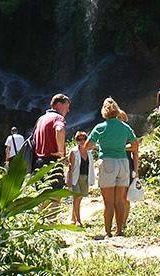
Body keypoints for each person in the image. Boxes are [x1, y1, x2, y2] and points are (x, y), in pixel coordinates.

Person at [85, 97, 138, 238]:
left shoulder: (100, 127)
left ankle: (108, 232)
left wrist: (100, 145)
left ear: (104, 111)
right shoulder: (125, 127)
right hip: (123, 163)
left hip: (107, 162)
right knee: (120, 201)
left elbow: (87, 146)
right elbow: (135, 146)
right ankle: (119, 230)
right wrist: (121, 146)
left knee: (108, 203)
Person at [33, 94, 70, 190]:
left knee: (41, 194)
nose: (68, 110)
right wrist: (61, 151)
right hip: (52, 161)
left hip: (38, 162)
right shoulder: (58, 118)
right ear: (59, 105)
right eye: (67, 106)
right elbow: (59, 129)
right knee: (55, 195)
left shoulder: (41, 119)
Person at [66, 131, 96, 227]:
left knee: (79, 198)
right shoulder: (74, 152)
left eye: (84, 139)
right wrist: (70, 180)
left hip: (85, 177)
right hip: (76, 177)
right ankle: (78, 220)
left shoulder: (89, 153)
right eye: (79, 139)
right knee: (77, 197)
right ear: (76, 141)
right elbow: (70, 167)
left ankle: (73, 217)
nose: (82, 141)